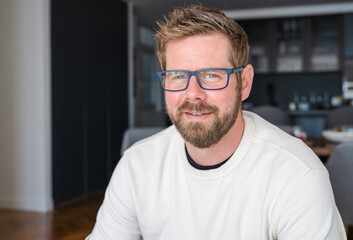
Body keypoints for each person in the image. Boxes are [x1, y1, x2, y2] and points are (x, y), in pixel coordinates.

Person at [86, 5, 346, 240]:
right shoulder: (136, 166)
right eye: (177, 76)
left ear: (243, 83)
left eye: (211, 75)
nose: (193, 94)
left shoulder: (298, 176)